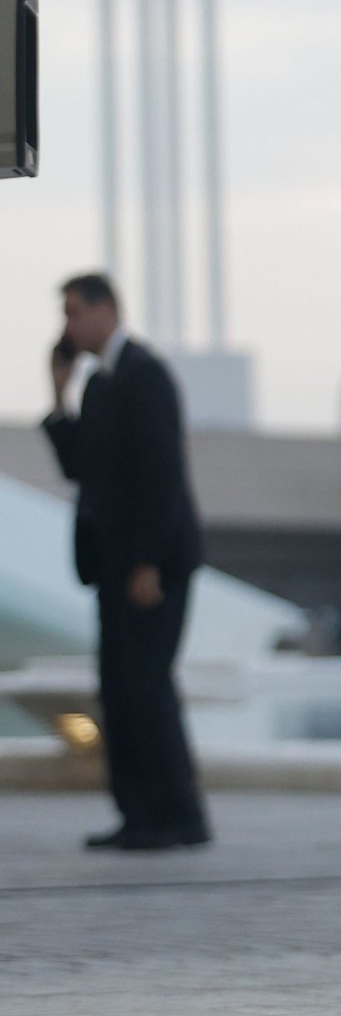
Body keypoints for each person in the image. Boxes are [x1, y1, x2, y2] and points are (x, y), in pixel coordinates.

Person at [42, 272, 209, 852]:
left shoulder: (146, 375)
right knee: (117, 689)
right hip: (111, 564)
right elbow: (79, 469)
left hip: (151, 566)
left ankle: (179, 815)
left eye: (73, 313)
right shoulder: (100, 385)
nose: (68, 327)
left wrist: (146, 563)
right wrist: (59, 397)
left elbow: (161, 478)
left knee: (146, 685)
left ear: (105, 309)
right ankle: (139, 815)